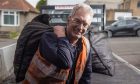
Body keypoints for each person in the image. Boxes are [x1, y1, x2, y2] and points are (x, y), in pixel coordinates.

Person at [22, 3, 94, 84]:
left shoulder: (86, 45)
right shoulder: (50, 37)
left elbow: (86, 75)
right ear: (69, 19)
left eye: (85, 24)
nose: (80, 27)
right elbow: (65, 62)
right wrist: (62, 37)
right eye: (77, 21)